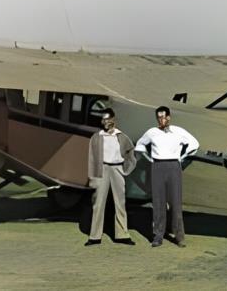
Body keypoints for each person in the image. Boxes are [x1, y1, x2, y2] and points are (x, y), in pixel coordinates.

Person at [135, 106, 199, 248]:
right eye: (158, 117)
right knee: (158, 202)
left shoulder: (178, 131)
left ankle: (179, 236)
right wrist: (149, 158)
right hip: (157, 166)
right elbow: (140, 145)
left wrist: (182, 157)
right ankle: (158, 236)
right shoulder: (152, 132)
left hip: (174, 167)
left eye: (163, 117)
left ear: (169, 117)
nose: (161, 120)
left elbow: (194, 144)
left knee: (175, 202)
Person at [84, 108, 136, 246]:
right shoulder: (96, 137)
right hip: (102, 169)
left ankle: (122, 235)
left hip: (117, 168)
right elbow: (91, 158)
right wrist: (92, 177)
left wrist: (126, 170)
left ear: (113, 119)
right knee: (98, 202)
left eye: (107, 119)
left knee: (120, 202)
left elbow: (131, 154)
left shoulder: (122, 136)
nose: (105, 122)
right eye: (102, 119)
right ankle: (94, 236)